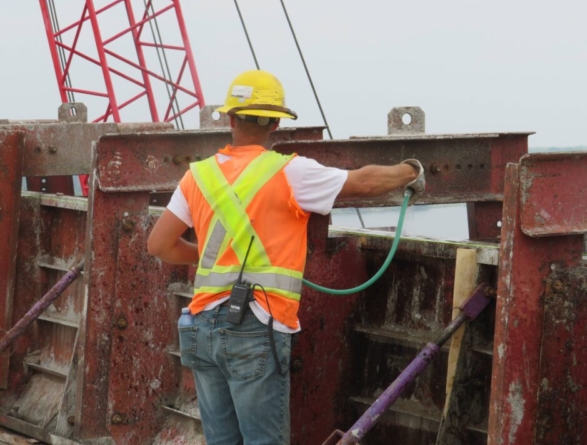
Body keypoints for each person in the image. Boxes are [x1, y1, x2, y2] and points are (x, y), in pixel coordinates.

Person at [147, 70, 425, 445]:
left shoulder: (197, 175)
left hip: (200, 326)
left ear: (230, 119)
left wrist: (209, 257)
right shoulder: (289, 171)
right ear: (276, 122)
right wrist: (411, 171)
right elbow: (365, 182)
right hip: (253, 326)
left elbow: (160, 245)